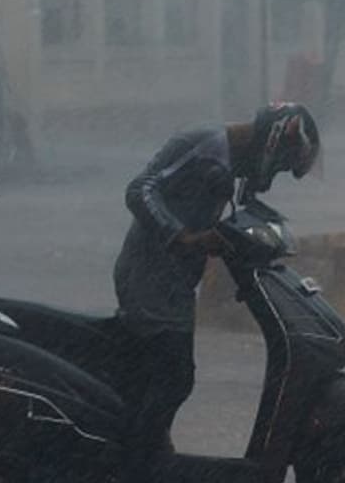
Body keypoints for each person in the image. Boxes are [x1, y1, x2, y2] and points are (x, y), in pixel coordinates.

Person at [113, 102, 320, 481]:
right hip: (150, 278)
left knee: (165, 377)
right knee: (174, 375)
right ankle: (137, 465)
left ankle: (150, 453)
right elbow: (140, 190)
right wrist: (181, 236)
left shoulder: (231, 162)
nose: (274, 173)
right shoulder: (206, 144)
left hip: (173, 283)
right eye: (281, 165)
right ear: (273, 145)